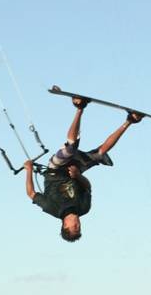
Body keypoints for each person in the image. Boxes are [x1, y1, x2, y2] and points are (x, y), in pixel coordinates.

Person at [24, 96, 143, 241]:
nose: (78, 224)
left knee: (71, 147)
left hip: (55, 169)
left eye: (75, 227)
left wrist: (29, 169)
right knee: (100, 153)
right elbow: (88, 187)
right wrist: (77, 176)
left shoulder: (52, 208)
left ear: (64, 225)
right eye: (79, 227)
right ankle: (130, 120)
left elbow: (31, 193)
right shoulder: (84, 208)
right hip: (75, 171)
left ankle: (79, 108)